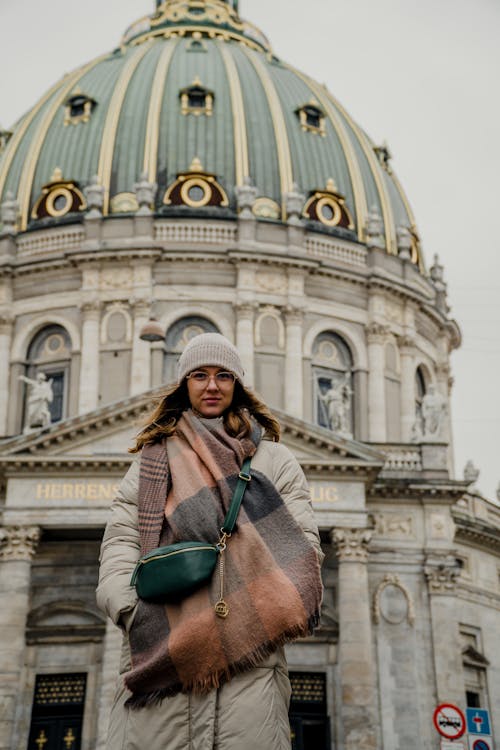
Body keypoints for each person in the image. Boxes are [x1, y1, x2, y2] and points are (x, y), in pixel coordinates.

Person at [96, 332, 323, 750]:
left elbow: (304, 542)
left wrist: (267, 602)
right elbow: (122, 538)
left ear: (238, 384)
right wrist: (128, 606)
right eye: (200, 375)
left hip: (251, 657)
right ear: (185, 384)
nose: (212, 385)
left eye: (223, 375)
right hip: (162, 646)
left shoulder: (275, 460)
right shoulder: (152, 460)